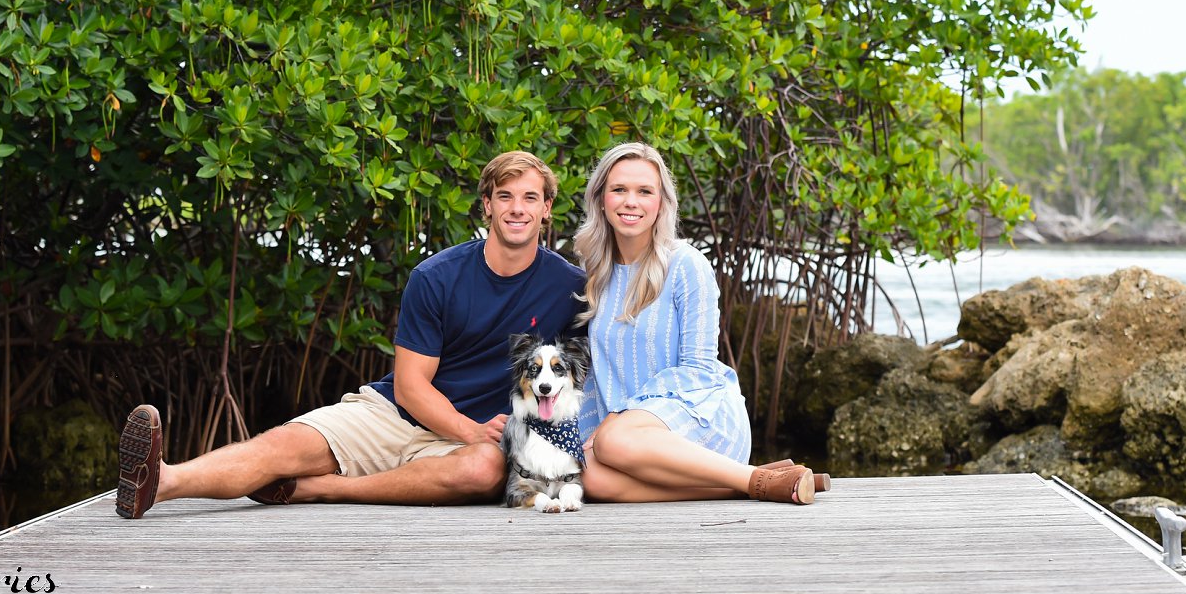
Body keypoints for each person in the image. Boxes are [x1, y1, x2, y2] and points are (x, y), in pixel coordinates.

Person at [114, 150, 584, 518]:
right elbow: (410, 385)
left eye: (529, 198)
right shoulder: (436, 277)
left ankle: (327, 490)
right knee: (283, 447)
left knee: (484, 469)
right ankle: (161, 480)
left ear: (546, 209)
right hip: (397, 413)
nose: (516, 209)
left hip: (465, 446)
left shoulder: (567, 287)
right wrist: (470, 430)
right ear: (486, 205)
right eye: (505, 196)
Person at [574, 142, 822, 504]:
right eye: (619, 190)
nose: (631, 202)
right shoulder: (595, 270)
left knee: (613, 441)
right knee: (588, 475)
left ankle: (757, 479)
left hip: (696, 415)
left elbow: (699, 369)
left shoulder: (685, 264)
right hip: (629, 438)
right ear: (600, 199)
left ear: (661, 203)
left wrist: (619, 416)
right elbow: (603, 370)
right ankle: (749, 482)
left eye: (645, 191)